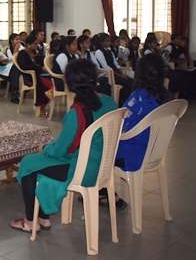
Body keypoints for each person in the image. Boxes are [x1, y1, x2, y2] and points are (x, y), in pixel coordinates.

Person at [9, 59, 118, 233]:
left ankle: (31, 221)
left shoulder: (77, 113)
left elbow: (60, 149)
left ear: (70, 84)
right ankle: (43, 218)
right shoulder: (110, 102)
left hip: (83, 169)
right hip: (104, 166)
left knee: (29, 163)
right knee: (42, 166)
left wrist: (45, 148)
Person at [115, 53, 173, 173]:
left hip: (132, 156)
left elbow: (123, 121)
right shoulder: (168, 96)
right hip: (155, 152)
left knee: (100, 150)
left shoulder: (139, 97)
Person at [16, 34, 52, 117]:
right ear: (28, 44)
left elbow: (41, 62)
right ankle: (40, 109)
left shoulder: (35, 52)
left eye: (37, 44)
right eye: (35, 44)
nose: (37, 46)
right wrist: (39, 68)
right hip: (30, 77)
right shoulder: (22, 53)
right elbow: (24, 66)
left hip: (39, 75)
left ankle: (41, 107)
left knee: (53, 87)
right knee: (50, 87)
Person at [94, 33, 133, 104]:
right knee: (127, 84)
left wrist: (121, 74)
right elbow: (105, 66)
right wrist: (119, 75)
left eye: (109, 41)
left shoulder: (110, 51)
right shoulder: (99, 52)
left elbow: (116, 65)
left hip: (116, 73)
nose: (109, 43)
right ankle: (121, 101)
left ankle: (126, 100)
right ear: (102, 42)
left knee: (132, 81)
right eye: (107, 41)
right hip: (109, 75)